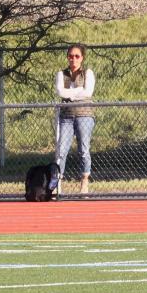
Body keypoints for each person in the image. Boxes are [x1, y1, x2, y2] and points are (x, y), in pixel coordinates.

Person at [54, 44, 95, 196]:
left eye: (77, 56)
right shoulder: (61, 74)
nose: (73, 59)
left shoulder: (87, 73)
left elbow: (88, 92)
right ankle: (57, 182)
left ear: (82, 58)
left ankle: (84, 181)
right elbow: (60, 91)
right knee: (61, 150)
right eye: (71, 56)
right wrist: (78, 91)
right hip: (66, 116)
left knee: (83, 150)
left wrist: (69, 94)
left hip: (85, 115)